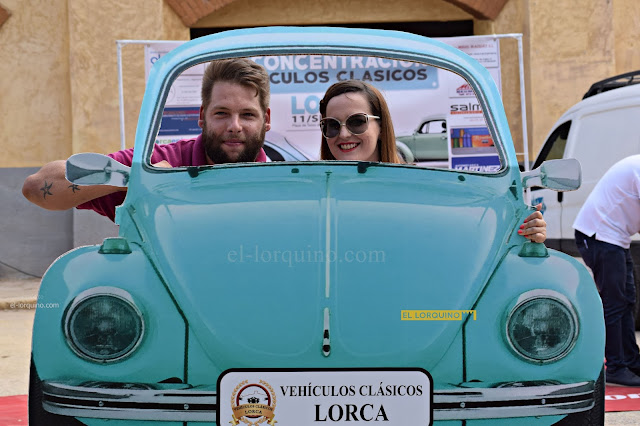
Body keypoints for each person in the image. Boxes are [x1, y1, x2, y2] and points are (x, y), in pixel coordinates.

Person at [22, 58, 271, 221]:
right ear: (202, 116)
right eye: (221, 113)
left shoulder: (285, 180)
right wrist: (137, 179)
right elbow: (36, 188)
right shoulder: (161, 162)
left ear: (266, 119)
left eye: (247, 115)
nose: (234, 126)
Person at [318, 79, 547, 243]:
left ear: (381, 127)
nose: (344, 134)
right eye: (332, 125)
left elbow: (460, 239)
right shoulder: (312, 194)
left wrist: (523, 232)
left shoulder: (419, 189)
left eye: (357, 122)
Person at [574, 155, 640, 386]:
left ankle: (631, 362)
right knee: (615, 303)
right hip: (599, 235)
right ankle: (615, 367)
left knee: (627, 300)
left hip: (614, 238)